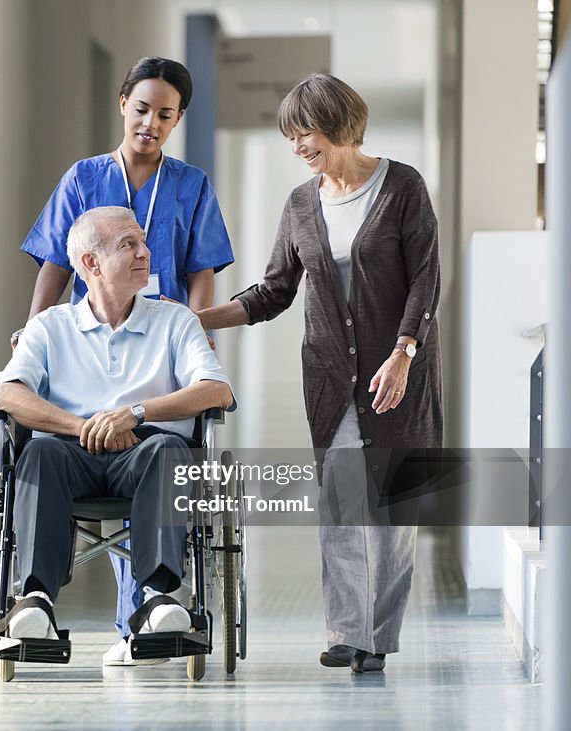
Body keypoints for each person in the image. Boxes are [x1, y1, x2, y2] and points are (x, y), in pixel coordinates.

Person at [196, 74, 442, 673]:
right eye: (290, 135)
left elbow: (425, 279)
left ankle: (376, 640)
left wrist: (404, 351)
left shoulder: (402, 186)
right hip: (331, 376)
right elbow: (275, 290)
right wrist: (196, 318)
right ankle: (346, 630)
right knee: (341, 503)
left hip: (396, 373)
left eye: (304, 131)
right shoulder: (302, 204)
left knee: (388, 511)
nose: (298, 145)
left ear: (338, 124)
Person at [14, 57, 234, 664]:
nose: (150, 124)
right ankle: (43, 604)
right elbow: (57, 263)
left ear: (178, 119)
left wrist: (196, 330)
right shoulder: (84, 179)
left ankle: (148, 614)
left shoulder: (189, 185)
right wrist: (37, 328)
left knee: (158, 450)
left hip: (157, 337)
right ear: (122, 105)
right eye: (142, 110)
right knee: (50, 451)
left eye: (165, 115)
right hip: (91, 335)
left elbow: (201, 270)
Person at [0, 206, 234, 661]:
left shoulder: (175, 320)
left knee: (168, 452)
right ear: (91, 264)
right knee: (38, 456)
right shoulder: (50, 326)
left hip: (147, 450)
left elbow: (215, 390)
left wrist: (134, 414)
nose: (146, 252)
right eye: (128, 245)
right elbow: (6, 395)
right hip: (69, 453)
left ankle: (158, 598)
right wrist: (82, 426)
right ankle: (35, 602)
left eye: (142, 241)